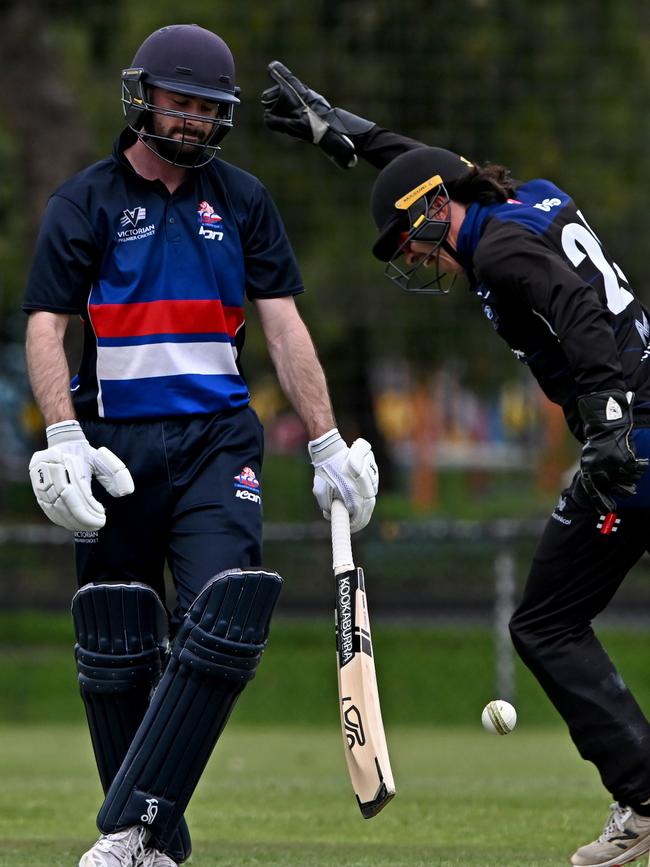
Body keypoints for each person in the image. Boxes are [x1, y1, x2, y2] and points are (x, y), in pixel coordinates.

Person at [261, 61, 650, 867]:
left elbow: (577, 312)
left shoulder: (501, 248)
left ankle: (645, 797)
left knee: (544, 620)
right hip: (637, 418)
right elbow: (428, 160)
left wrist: (609, 423)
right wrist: (348, 133)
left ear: (442, 208)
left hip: (636, 433)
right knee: (549, 619)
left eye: (414, 240)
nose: (418, 258)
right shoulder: (507, 197)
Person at [23, 28, 378, 867]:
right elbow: (46, 324)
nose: (189, 121)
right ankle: (154, 843)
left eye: (206, 109)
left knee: (228, 607)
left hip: (220, 442)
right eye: (177, 103)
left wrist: (328, 442)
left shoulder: (245, 200)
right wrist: (63, 435)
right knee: (115, 638)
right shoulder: (86, 200)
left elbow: (285, 326)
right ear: (143, 97)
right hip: (112, 449)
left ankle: (126, 831)